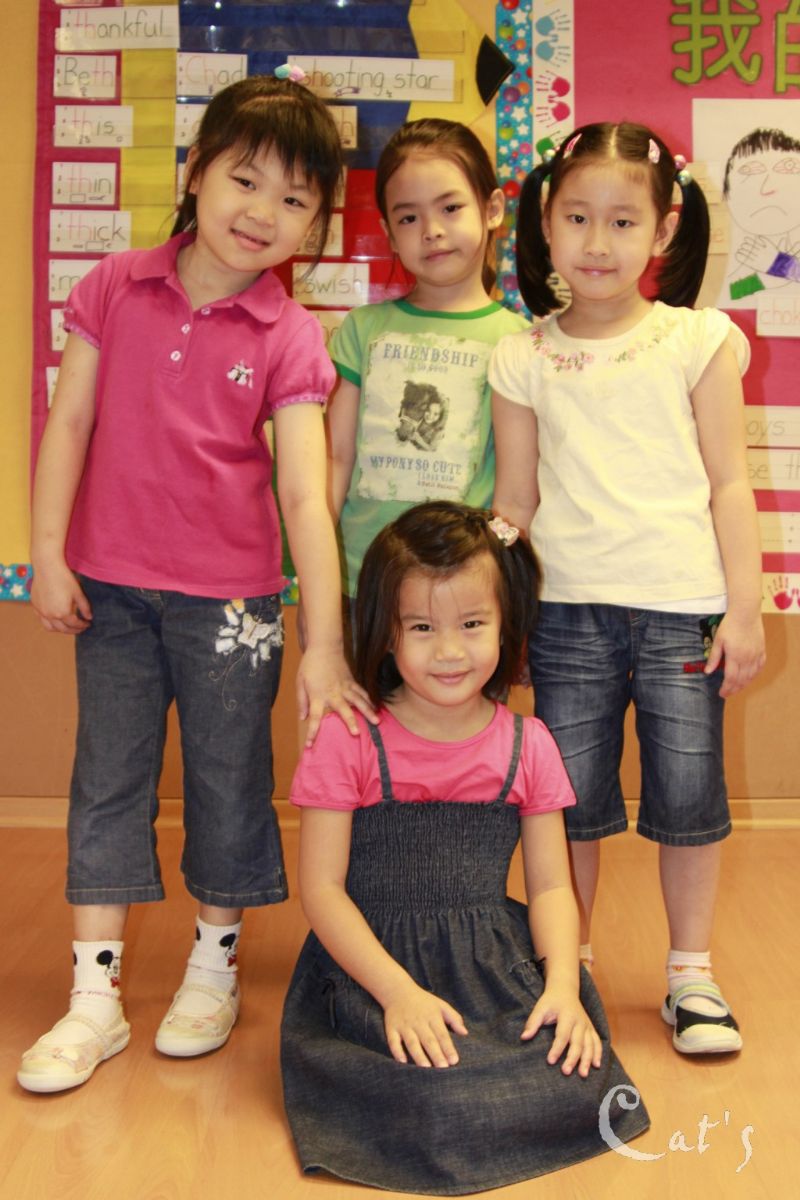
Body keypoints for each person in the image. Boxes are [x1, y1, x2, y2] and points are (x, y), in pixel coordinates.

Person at [19, 73, 373, 1094]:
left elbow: (304, 497)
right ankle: (93, 1000)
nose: (262, 212)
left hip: (233, 606)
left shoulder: (290, 336)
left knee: (227, 781)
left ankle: (212, 973)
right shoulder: (112, 286)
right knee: (108, 778)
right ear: (195, 172)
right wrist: (49, 552)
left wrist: (321, 645)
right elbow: (69, 424)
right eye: (244, 180)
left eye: (294, 199)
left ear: (316, 223)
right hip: (112, 592)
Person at [490, 121, 766, 1056]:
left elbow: (730, 483)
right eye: (576, 218)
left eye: (622, 221)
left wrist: (743, 609)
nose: (597, 243)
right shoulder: (523, 355)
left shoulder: (697, 339)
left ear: (664, 229)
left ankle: (691, 977)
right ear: (545, 223)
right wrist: (497, 617)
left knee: (687, 795)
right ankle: (568, 971)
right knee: (568, 800)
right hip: (564, 614)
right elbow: (514, 503)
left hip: (683, 611)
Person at [281, 501, 649, 1194]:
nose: (449, 651)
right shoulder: (346, 736)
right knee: (432, 1096)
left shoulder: (529, 743)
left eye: (472, 624)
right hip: (371, 972)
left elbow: (550, 887)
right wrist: (397, 994)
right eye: (422, 627)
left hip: (491, 968)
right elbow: (321, 891)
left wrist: (563, 988)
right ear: (386, 631)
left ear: (507, 624)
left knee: (571, 1073)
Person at [326, 118, 529, 610]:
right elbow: (335, 461)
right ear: (388, 233)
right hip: (361, 586)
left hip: (465, 595)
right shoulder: (362, 330)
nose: (432, 231)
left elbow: (516, 494)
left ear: (492, 208)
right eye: (408, 218)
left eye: (451, 208)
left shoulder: (519, 343)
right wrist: (319, 586)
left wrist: (510, 596)